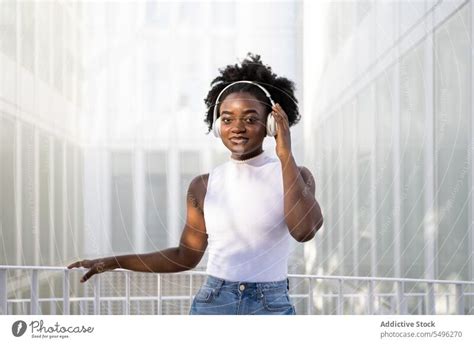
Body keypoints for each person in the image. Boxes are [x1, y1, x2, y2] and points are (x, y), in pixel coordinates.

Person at [67, 53, 324, 315]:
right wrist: (115, 262)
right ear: (216, 125)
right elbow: (184, 256)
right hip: (214, 302)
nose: (237, 127)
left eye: (250, 118)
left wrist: (285, 154)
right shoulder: (203, 186)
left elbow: (304, 231)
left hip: (271, 305)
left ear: (271, 124)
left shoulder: (295, 174)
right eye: (227, 118)